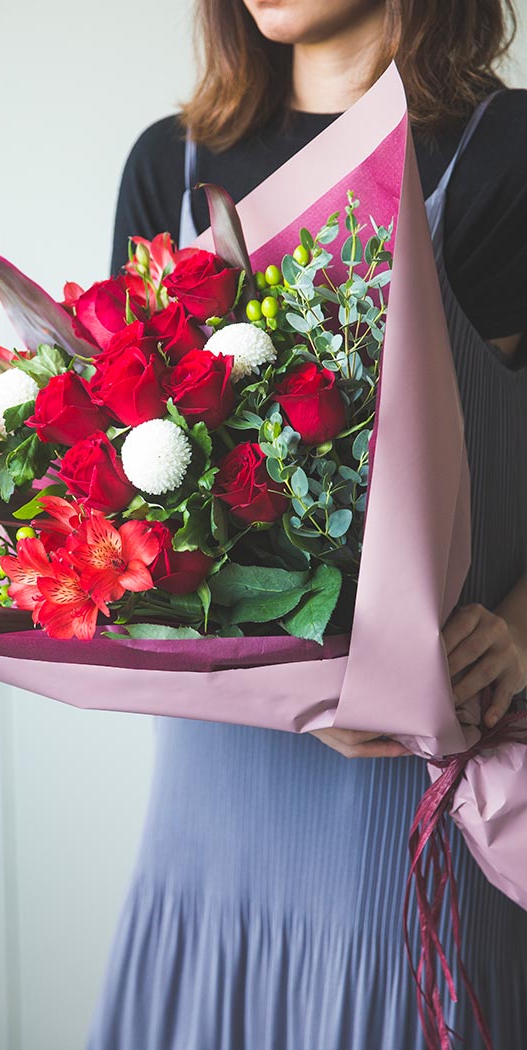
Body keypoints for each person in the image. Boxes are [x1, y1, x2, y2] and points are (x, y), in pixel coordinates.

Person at [88, 2, 527, 1046]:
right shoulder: (171, 158)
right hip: (212, 770)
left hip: (400, 763)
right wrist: (277, 682)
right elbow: (113, 476)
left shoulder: (504, 153)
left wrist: (519, 628)